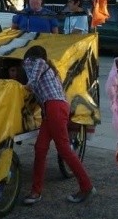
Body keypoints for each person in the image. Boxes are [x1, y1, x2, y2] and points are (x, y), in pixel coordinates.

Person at [21, 45, 94, 205]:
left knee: (63, 149)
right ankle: (36, 191)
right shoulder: (50, 69)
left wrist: (17, 88)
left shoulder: (35, 61)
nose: (26, 64)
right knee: (40, 148)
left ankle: (86, 186)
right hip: (53, 109)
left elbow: (31, 83)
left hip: (53, 108)